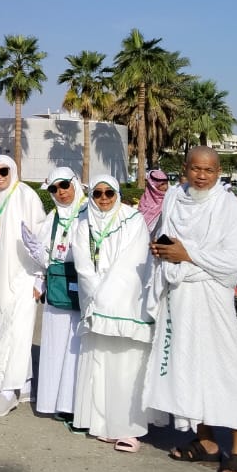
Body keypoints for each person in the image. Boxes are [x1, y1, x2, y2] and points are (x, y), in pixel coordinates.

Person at [145, 147, 237, 472]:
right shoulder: (174, 198)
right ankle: (206, 441)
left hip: (211, 296)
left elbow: (232, 261)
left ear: (218, 172)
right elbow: (167, 239)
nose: (202, 176)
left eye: (208, 170)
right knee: (190, 367)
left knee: (225, 370)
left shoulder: (229, 207)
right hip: (179, 296)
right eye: (196, 169)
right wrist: (162, 250)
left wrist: (186, 255)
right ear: (185, 168)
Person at [69, 175, 155, 451]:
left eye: (109, 193)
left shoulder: (133, 220)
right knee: (100, 364)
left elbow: (133, 261)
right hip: (95, 303)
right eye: (97, 193)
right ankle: (103, 424)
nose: (104, 198)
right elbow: (83, 264)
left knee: (127, 367)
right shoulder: (83, 223)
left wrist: (107, 296)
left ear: (117, 194)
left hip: (125, 303)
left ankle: (129, 429)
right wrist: (97, 294)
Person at [0, 155, 46, 416]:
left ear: (12, 170)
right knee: (4, 330)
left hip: (23, 277)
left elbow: (40, 239)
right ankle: (24, 385)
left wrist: (40, 277)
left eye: (3, 171)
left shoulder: (27, 196)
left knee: (17, 332)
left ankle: (8, 391)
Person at [24, 167, 84, 422]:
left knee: (76, 348)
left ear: (75, 184)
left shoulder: (88, 213)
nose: (60, 192)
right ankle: (56, 401)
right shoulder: (52, 218)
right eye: (54, 188)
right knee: (55, 346)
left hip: (82, 287)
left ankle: (75, 404)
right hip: (57, 290)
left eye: (64, 186)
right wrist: (39, 275)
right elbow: (44, 255)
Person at [137, 168, 170, 234]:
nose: (165, 187)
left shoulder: (170, 198)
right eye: (162, 184)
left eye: (166, 183)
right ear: (153, 186)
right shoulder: (145, 200)